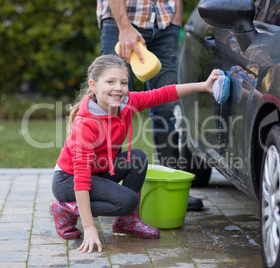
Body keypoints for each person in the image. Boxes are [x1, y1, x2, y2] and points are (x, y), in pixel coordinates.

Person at [50, 55, 220, 253]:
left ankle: (126, 223)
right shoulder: (86, 125)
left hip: (98, 172)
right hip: (68, 181)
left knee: (137, 158)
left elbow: (163, 94)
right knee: (127, 200)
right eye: (110, 82)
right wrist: (89, 228)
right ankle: (65, 208)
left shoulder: (127, 103)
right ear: (93, 85)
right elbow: (81, 178)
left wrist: (204, 85)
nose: (118, 88)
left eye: (123, 82)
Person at [97, 0, 204, 211]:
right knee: (108, 105)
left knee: (166, 108)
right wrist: (124, 26)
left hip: (165, 23)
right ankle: (97, 190)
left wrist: (175, 21)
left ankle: (168, 187)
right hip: (123, 22)